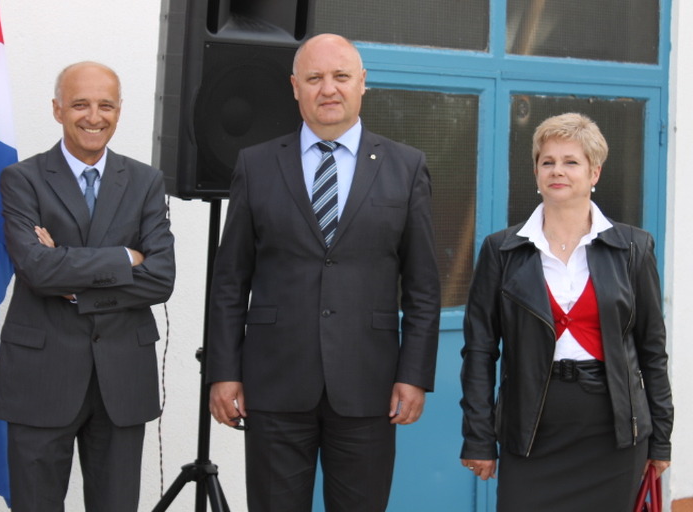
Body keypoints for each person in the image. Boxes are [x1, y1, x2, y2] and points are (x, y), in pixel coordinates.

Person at [206, 33, 441, 511]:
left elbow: (423, 288)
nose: (328, 89)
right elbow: (230, 281)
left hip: (369, 387)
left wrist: (414, 374)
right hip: (274, 384)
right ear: (295, 87)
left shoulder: (406, 167)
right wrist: (223, 371)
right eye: (314, 78)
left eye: (341, 76)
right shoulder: (255, 165)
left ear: (362, 83)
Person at [459, 112, 673, 511]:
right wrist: (478, 436)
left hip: (614, 434)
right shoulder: (502, 250)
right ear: (536, 173)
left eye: (571, 161)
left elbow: (652, 351)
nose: (557, 170)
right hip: (531, 431)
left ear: (594, 173)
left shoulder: (633, 248)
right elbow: (479, 353)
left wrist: (661, 437)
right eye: (548, 162)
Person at [0, 61, 175, 511]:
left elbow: (160, 278)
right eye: (80, 105)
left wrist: (71, 278)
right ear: (57, 110)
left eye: (105, 105)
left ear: (119, 110)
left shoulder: (146, 182)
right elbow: (37, 270)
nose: (94, 117)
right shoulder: (22, 179)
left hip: (122, 380)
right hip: (40, 378)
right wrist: (124, 257)